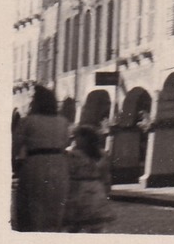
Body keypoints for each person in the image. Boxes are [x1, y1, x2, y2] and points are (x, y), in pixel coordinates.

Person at [12, 86, 71, 232]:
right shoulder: (63, 122)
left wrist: (14, 166)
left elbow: (15, 146)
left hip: (35, 164)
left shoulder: (28, 121)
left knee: (32, 209)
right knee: (54, 207)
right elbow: (65, 143)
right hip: (59, 164)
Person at [64, 124, 113, 234]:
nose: (72, 139)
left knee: (95, 224)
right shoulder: (69, 153)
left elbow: (105, 174)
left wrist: (107, 189)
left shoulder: (100, 154)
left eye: (76, 136)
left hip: (91, 189)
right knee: (74, 224)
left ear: (86, 138)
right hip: (79, 188)